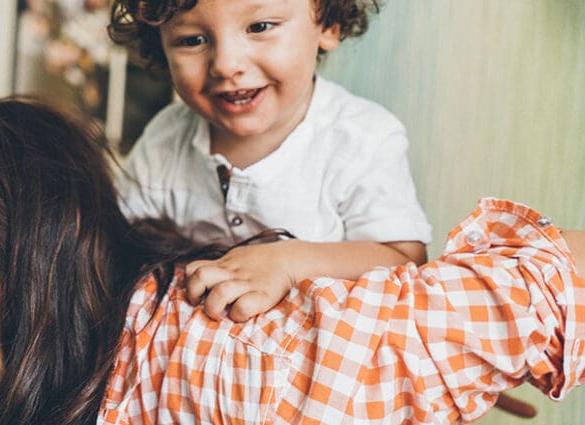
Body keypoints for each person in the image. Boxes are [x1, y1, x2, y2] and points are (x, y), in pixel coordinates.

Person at [0, 95, 585, 425]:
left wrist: (429, 362)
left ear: (33, 232)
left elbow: (552, 278)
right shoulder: (162, 155)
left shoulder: (232, 365)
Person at [108, 0, 432, 321]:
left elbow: (405, 260)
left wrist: (290, 262)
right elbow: (113, 237)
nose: (225, 64)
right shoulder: (165, 138)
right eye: (192, 40)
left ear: (328, 23)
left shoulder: (363, 137)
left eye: (259, 27)